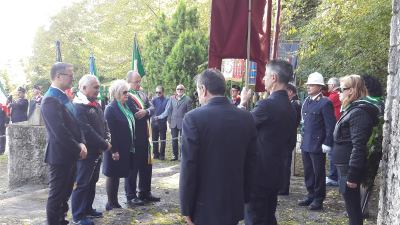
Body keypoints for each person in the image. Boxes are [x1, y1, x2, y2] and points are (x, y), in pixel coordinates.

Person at [179, 69, 257, 225]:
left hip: (203, 204)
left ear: (203, 89)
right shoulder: (246, 117)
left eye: (197, 91)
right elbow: (251, 162)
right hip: (234, 199)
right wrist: (246, 196)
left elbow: (189, 165)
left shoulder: (193, 118)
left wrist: (186, 207)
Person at [240, 59, 297, 225]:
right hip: (276, 170)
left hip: (258, 173)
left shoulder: (267, 105)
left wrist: (243, 103)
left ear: (273, 78)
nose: (262, 79)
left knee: (255, 218)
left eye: (265, 75)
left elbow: (242, 126)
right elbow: (290, 142)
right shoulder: (290, 106)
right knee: (268, 217)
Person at [41, 62, 88, 225]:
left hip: (70, 153)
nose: (73, 77)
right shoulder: (50, 99)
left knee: (66, 191)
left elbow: (76, 122)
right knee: (57, 194)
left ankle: (62, 220)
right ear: (58, 76)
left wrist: (82, 142)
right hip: (60, 155)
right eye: (70, 74)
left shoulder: (63, 96)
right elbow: (59, 131)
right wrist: (77, 146)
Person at [332, 75, 379, 225]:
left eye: (342, 89)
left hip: (349, 166)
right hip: (344, 164)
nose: (339, 92)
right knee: (351, 207)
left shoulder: (359, 112)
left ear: (351, 90)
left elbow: (359, 145)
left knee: (353, 209)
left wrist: (352, 174)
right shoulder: (352, 108)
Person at [71, 75, 112, 224]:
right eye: (95, 87)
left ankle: (87, 208)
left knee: (92, 181)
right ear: (83, 88)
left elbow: (104, 123)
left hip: (97, 150)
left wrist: (107, 138)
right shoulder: (78, 106)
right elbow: (86, 130)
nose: (98, 90)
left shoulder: (95, 103)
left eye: (98, 87)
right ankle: (78, 215)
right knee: (82, 183)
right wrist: (104, 144)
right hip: (86, 152)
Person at [299, 72, 336, 211]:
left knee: (318, 172)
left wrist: (327, 142)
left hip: (318, 143)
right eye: (308, 84)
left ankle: (318, 199)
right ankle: (310, 195)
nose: (308, 87)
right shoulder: (307, 101)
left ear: (320, 87)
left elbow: (330, 125)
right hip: (306, 142)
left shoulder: (325, 102)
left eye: (312, 84)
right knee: (308, 171)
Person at [125, 71, 160, 204]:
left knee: (147, 165)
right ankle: (131, 195)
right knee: (133, 167)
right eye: (136, 82)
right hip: (134, 137)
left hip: (146, 135)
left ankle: (145, 192)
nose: (139, 84)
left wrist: (146, 111)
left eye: (140, 81)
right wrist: (146, 112)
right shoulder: (127, 96)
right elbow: (135, 114)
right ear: (129, 82)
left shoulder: (142, 94)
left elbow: (152, 107)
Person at [102, 79, 134, 210]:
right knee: (112, 175)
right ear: (116, 93)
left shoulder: (125, 106)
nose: (127, 94)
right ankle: (111, 203)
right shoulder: (111, 109)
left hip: (124, 147)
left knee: (117, 174)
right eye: (125, 92)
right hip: (114, 148)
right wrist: (113, 150)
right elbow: (110, 132)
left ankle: (114, 202)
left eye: (128, 91)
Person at [158, 84, 192, 161]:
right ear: (176, 90)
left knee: (183, 140)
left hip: (183, 123)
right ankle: (175, 156)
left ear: (184, 90)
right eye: (178, 89)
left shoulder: (188, 99)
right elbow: (169, 110)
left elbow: (189, 113)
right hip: (173, 123)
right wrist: (169, 121)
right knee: (174, 140)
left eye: (181, 89)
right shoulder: (172, 98)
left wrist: (187, 123)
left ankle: (182, 156)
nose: (179, 90)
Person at [279, 82, 301, 195]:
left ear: (290, 92)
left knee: (285, 163)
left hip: (288, 137)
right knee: (283, 162)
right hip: (287, 137)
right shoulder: (291, 103)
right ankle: (282, 186)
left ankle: (283, 188)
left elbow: (291, 122)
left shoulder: (294, 104)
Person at [326, 77, 341, 187]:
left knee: (332, 153)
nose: (327, 86)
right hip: (336, 126)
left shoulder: (334, 96)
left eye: (329, 84)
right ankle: (333, 176)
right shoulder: (336, 95)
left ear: (332, 85)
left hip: (335, 127)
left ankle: (333, 177)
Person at [151, 86, 169, 160]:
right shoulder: (153, 100)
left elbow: (166, 111)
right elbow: (151, 109)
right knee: (154, 139)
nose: (158, 94)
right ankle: (155, 154)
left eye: (159, 92)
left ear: (163, 92)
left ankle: (162, 155)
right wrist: (153, 117)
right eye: (156, 92)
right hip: (154, 123)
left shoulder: (167, 100)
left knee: (163, 140)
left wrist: (159, 117)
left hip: (162, 122)